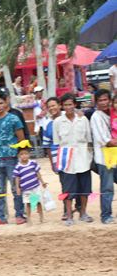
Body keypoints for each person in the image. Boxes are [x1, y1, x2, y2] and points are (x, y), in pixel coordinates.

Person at [0, 90, 26, 227]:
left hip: (12, 158)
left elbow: (21, 139)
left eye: (1, 103)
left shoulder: (14, 118)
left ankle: (20, 214)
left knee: (16, 188)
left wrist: (21, 156)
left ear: (6, 102)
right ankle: (0, 216)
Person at [53, 93, 94, 226]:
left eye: (70, 104)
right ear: (61, 106)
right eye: (65, 105)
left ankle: (83, 213)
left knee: (84, 188)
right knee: (68, 189)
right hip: (67, 160)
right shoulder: (58, 122)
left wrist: (89, 157)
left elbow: (89, 139)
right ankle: (69, 216)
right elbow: (57, 142)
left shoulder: (83, 120)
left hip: (83, 158)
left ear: (75, 105)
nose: (68, 107)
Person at [90, 89, 117, 224]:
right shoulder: (96, 116)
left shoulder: (113, 114)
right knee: (107, 187)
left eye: (106, 99)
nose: (104, 102)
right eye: (100, 100)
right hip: (105, 157)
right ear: (96, 102)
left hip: (115, 155)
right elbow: (104, 140)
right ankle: (106, 215)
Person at [13, 148, 47, 225]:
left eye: (26, 153)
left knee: (38, 202)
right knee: (27, 203)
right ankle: (29, 219)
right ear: (18, 156)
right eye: (21, 154)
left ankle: (41, 217)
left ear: (29, 154)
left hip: (35, 186)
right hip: (26, 189)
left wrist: (43, 182)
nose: (24, 156)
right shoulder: (18, 167)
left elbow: (38, 173)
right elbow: (17, 178)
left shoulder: (33, 163)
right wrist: (17, 187)